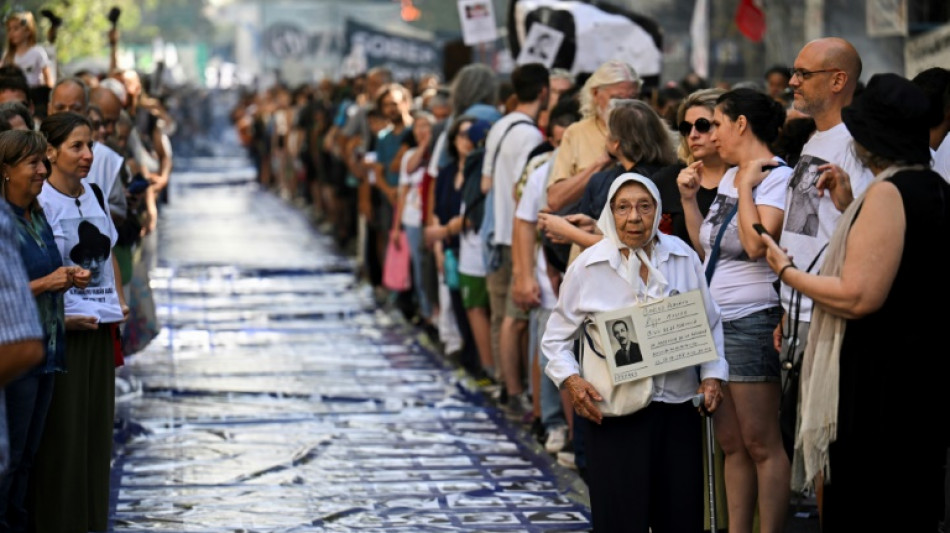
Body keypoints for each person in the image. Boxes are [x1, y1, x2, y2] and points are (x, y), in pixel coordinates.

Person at [758, 72, 950, 532]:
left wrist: (786, 271)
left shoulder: (889, 193)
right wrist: (849, 207)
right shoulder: (931, 187)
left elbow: (860, 296)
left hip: (883, 377)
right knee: (908, 501)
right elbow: (897, 257)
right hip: (918, 374)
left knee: (872, 502)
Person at [542, 173, 727, 532]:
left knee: (680, 514)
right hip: (614, 411)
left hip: (676, 408)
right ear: (610, 213)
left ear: (658, 211)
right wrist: (573, 381)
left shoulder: (682, 256)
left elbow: (710, 321)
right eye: (623, 207)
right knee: (620, 517)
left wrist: (713, 376)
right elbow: (555, 339)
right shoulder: (588, 265)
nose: (634, 217)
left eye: (645, 206)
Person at [678, 88, 792, 533]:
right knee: (731, 444)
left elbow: (753, 243)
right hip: (715, 321)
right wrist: (689, 200)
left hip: (751, 318)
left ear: (740, 124)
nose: (708, 135)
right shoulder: (728, 176)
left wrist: (746, 185)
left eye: (716, 124)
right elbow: (705, 248)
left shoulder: (775, 176)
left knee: (761, 443)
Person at [776, 37, 873, 465]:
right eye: (794, 73)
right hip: (798, 310)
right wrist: (787, 307)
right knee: (809, 452)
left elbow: (870, 232)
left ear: (838, 80)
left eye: (803, 74)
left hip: (831, 314)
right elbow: (804, 232)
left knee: (827, 455)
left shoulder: (858, 145)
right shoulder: (816, 139)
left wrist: (848, 201)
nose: (792, 82)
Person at [30, 111, 128, 533]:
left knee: (94, 433)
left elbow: (109, 256)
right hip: (63, 334)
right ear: (50, 152)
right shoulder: (37, 204)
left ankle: (91, 520)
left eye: (89, 145)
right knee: (64, 439)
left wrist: (119, 301)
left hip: (100, 329)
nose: (88, 155)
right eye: (77, 146)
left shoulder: (94, 194)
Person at [0, 129, 90, 531]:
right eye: (32, 164)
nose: (42, 171)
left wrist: (66, 278)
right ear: (5, 172)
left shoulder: (35, 214)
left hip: (47, 349)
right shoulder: (4, 224)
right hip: (14, 354)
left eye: (43, 161)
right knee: (11, 456)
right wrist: (47, 284)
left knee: (28, 457)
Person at [652, 88, 727, 247]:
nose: (693, 134)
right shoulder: (667, 180)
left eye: (702, 125)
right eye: (686, 128)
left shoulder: (747, 178)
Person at [0, 13, 53, 91]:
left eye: (16, 29)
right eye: (9, 29)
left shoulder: (37, 52)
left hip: (34, 94)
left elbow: (47, 78)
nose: (11, 33)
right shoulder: (8, 56)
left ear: (28, 31)